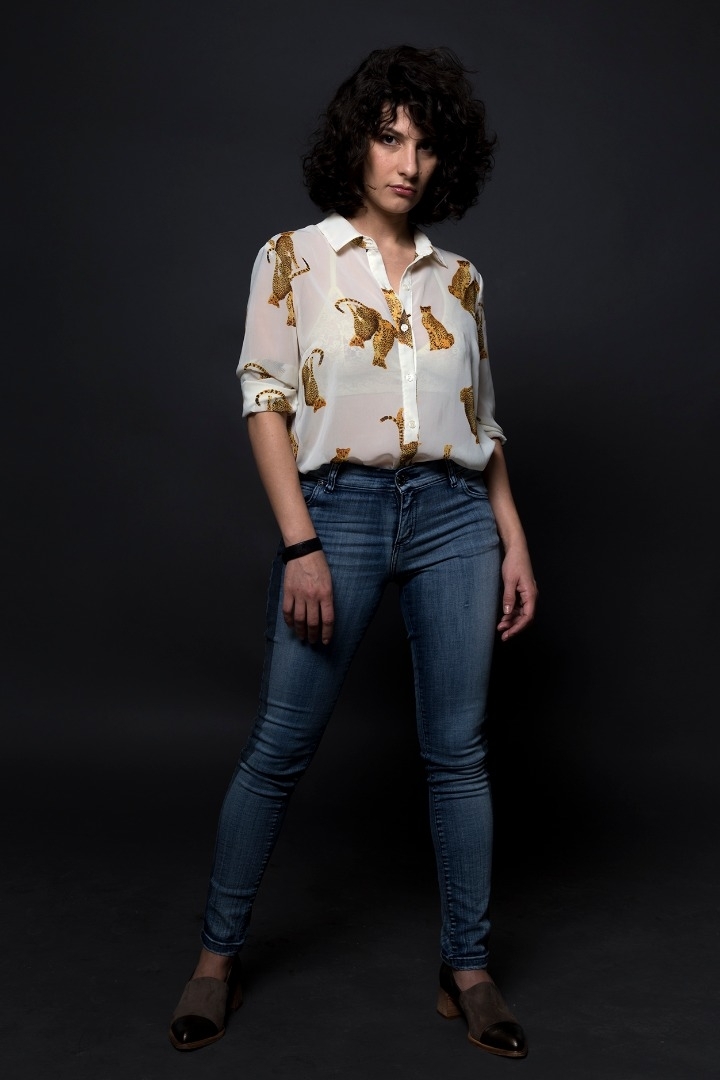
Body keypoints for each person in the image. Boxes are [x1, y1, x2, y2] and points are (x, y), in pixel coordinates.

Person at [169, 44, 538, 1059]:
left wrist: (513, 541)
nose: (407, 162)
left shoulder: (461, 281)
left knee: (458, 755)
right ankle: (215, 959)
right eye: (389, 138)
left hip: (457, 516)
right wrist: (301, 542)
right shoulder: (293, 258)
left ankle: (468, 970)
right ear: (356, 144)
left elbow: (485, 426)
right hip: (339, 512)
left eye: (425, 144)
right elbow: (265, 400)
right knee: (280, 748)